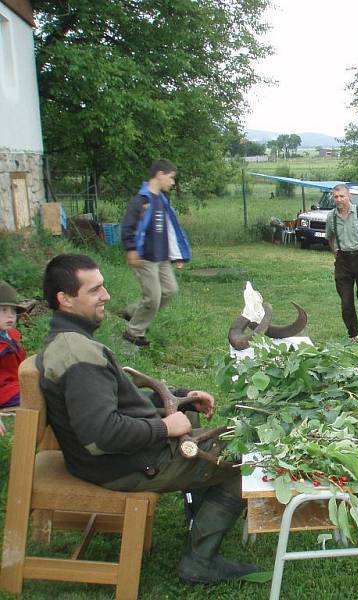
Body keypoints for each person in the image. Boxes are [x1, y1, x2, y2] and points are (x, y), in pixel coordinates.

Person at [38, 254, 259, 584]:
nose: (106, 295)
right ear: (65, 298)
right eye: (95, 290)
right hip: (123, 466)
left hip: (113, 459)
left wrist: (182, 396)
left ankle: (199, 514)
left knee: (197, 425)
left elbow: (113, 400)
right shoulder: (78, 356)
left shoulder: (69, 342)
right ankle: (199, 563)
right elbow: (102, 435)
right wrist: (165, 427)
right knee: (248, 462)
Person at [121, 159, 191, 347]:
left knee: (170, 290)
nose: (173, 182)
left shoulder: (162, 200)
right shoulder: (141, 201)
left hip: (162, 258)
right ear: (160, 175)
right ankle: (133, 332)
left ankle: (132, 312)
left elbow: (170, 229)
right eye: (171, 178)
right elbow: (128, 227)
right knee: (153, 297)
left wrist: (177, 255)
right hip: (145, 257)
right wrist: (131, 250)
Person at [325, 184, 358, 342]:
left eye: (342, 196)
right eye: (336, 197)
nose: (339, 199)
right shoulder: (331, 217)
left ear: (349, 196)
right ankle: (353, 335)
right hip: (343, 261)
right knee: (346, 301)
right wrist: (337, 255)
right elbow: (330, 238)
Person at [0, 280, 29, 435]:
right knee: (37, 399)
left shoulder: (11, 336)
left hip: (18, 385)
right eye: (3, 310)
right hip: (5, 392)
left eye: (13, 311)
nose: (10, 315)